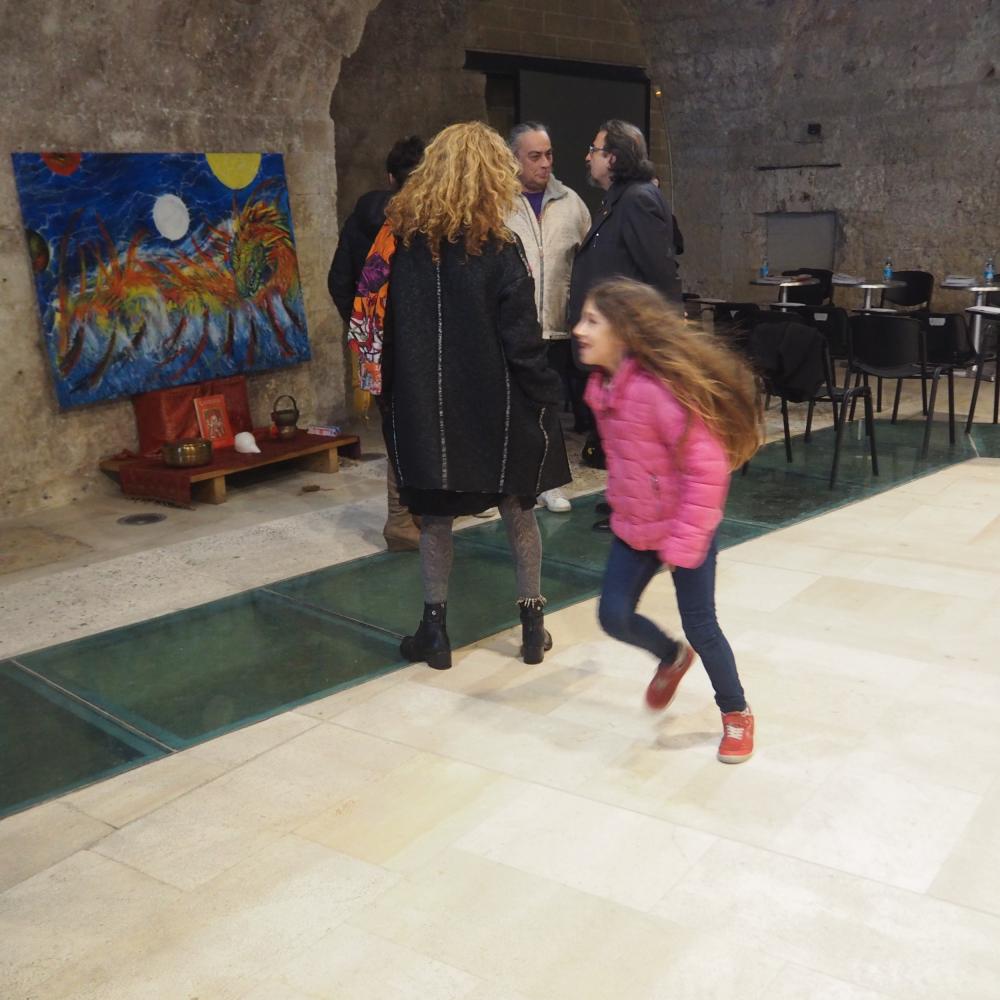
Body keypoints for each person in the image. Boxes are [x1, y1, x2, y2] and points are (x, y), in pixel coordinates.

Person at [351, 121, 571, 671]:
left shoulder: (396, 245)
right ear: (492, 177)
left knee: (435, 518)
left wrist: (384, 393)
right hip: (497, 407)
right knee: (518, 509)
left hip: (424, 407)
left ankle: (435, 634)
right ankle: (531, 629)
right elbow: (522, 340)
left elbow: (367, 321)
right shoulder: (502, 248)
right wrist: (548, 394)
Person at [572, 277, 762, 763]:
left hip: (685, 526)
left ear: (623, 331)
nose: (578, 330)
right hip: (635, 524)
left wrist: (684, 544)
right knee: (613, 616)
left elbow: (708, 469)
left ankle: (736, 712)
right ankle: (671, 656)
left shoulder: (658, 392)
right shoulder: (601, 388)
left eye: (592, 321)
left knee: (701, 625)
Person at [569, 120, 681, 530]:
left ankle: (639, 511)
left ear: (613, 158)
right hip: (618, 340)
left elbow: (658, 271)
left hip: (635, 339)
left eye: (594, 150)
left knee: (637, 432)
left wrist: (668, 332)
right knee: (621, 429)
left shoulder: (637, 199)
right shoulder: (618, 199)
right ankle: (624, 500)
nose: (588, 157)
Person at [328, 135, 425, 552]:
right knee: (418, 427)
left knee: (397, 426)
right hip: (419, 345)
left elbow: (338, 281)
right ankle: (402, 518)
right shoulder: (422, 223)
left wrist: (366, 328)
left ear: (390, 177)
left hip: (379, 346)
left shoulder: (362, 217)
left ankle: (410, 514)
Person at [506, 122, 592, 514]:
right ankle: (502, 487)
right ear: (514, 158)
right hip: (511, 327)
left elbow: (587, 263)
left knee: (548, 411)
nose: (545, 163)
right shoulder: (498, 203)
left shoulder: (571, 203)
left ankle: (549, 483)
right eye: (535, 156)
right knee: (509, 410)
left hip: (556, 327)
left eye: (549, 154)